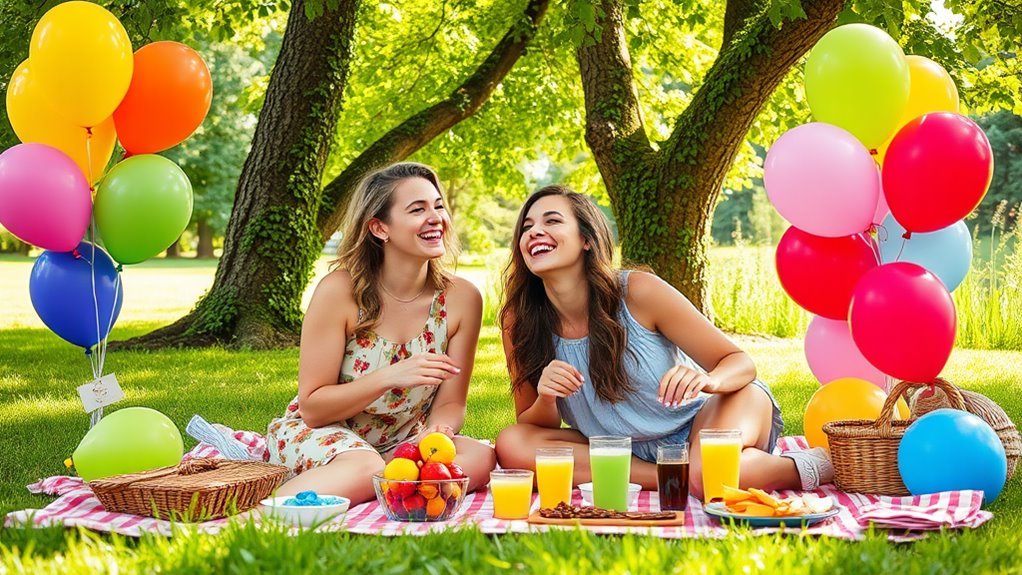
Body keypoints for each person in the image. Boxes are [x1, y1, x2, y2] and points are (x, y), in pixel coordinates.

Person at [494, 185, 832, 498]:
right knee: (512, 443)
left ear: (586, 238)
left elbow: (740, 363)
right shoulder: (518, 321)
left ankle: (811, 465)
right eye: (526, 227)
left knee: (708, 474)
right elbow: (532, 424)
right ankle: (674, 477)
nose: (534, 231)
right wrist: (547, 397)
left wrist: (709, 379)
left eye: (551, 221)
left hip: (713, 415)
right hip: (624, 451)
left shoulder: (638, 292)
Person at [267, 162, 495, 503]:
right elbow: (313, 407)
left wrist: (437, 431)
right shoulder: (340, 292)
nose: (436, 218)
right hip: (325, 432)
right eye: (418, 210)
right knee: (363, 465)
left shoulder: (462, 299)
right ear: (379, 228)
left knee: (480, 457)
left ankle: (377, 481)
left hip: (401, 441)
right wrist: (390, 376)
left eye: (438, 206)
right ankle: (260, 512)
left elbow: (450, 404)